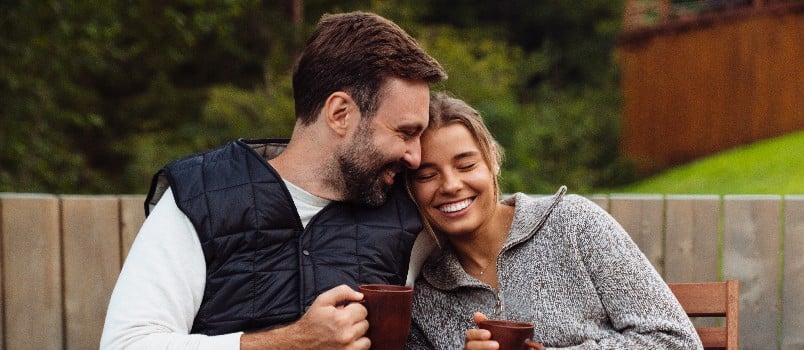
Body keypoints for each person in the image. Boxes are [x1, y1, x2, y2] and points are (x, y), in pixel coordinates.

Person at [100, 11, 446, 350]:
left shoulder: (411, 211)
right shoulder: (201, 196)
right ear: (340, 113)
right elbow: (126, 344)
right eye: (405, 132)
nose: (415, 156)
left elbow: (489, 237)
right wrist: (292, 342)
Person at [404, 93, 702, 349]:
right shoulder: (424, 296)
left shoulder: (573, 223)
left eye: (466, 165)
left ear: (492, 160)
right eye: (427, 176)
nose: (451, 185)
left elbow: (676, 341)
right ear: (410, 191)